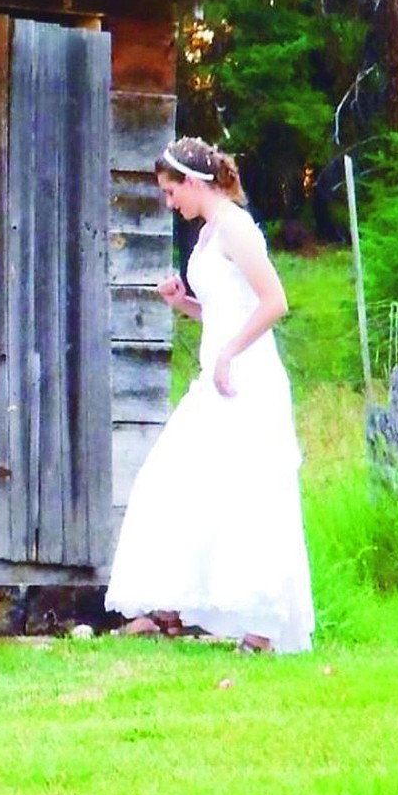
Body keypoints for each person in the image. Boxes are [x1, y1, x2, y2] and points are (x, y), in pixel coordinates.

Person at [105, 136, 314, 653]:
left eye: (172, 191)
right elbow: (225, 312)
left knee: (251, 495)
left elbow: (273, 303)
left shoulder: (237, 228)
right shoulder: (206, 235)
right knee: (174, 478)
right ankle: (169, 606)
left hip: (248, 382)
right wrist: (185, 305)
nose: (169, 202)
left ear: (194, 183)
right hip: (217, 381)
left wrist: (228, 354)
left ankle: (262, 628)